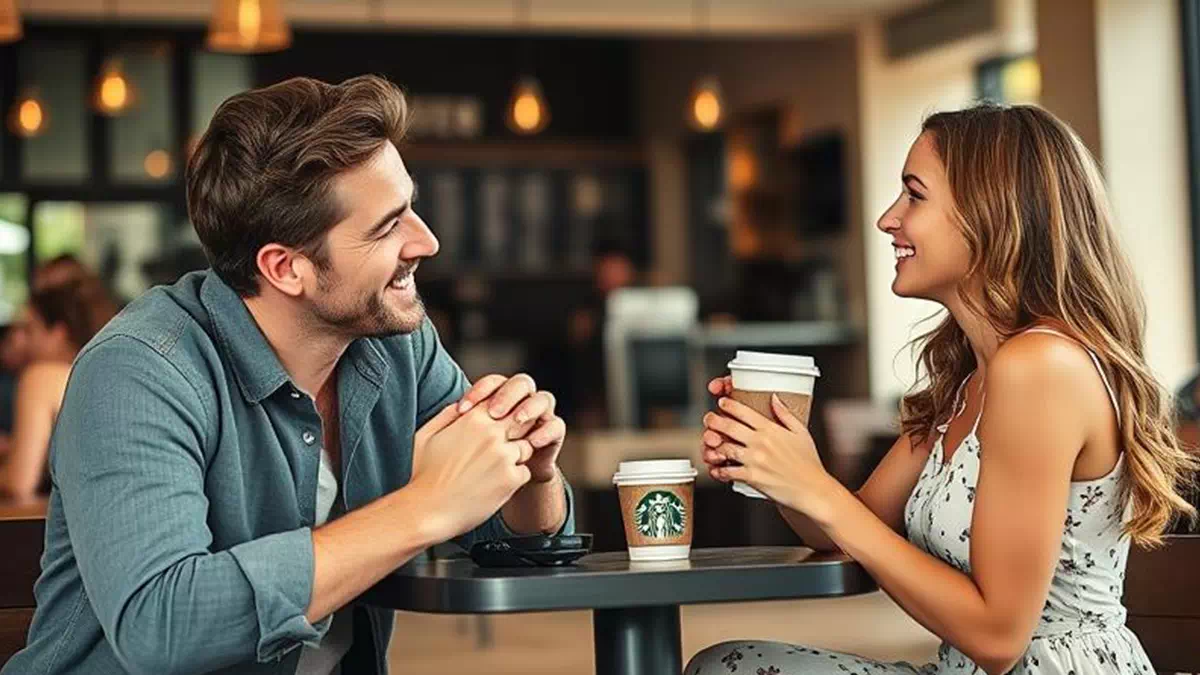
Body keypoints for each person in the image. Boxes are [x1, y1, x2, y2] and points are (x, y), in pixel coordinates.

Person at [2, 75, 572, 675]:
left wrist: (529, 473)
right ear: (286, 268)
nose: (425, 241)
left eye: (412, 207)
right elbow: (162, 625)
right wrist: (421, 508)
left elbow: (512, 541)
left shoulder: (396, 345)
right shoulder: (138, 371)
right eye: (387, 226)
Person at [690, 104, 1198, 675]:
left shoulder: (1042, 367)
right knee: (726, 664)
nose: (887, 219)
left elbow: (998, 637)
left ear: (991, 214)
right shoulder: (969, 378)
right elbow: (851, 527)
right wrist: (779, 464)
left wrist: (819, 491)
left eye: (914, 195)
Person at [0, 276, 117, 501]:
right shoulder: (103, 372)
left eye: (29, 329)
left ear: (58, 333)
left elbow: (20, 482)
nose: (21, 340)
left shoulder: (41, 377)